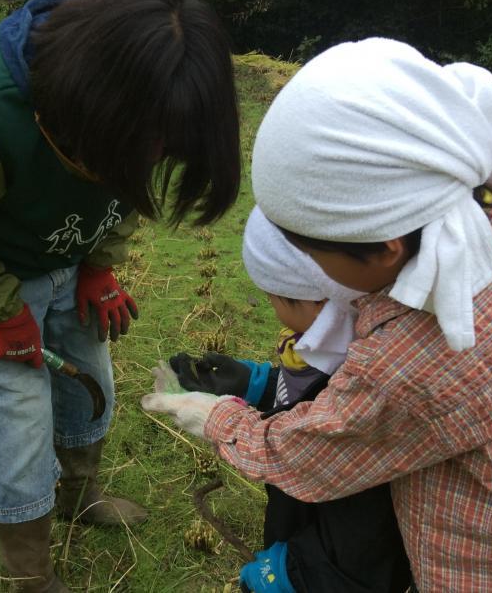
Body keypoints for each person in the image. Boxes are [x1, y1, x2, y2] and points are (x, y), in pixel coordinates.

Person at [142, 38, 492, 591]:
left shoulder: (416, 350)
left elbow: (312, 459)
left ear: (387, 245)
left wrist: (214, 416)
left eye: (315, 253)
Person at [0, 0, 239, 590]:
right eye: (141, 149)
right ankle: (32, 576)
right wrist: (2, 312)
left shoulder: (138, 97)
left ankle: (81, 495)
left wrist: (98, 267)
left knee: (91, 385)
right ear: (83, 105)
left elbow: (126, 195)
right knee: (18, 423)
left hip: (68, 263)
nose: (150, 161)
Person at [167, 206, 412, 592]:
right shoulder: (331, 350)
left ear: (318, 301)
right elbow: (306, 396)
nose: (277, 316)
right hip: (298, 524)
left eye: (275, 300)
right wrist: (257, 383)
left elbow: (365, 534)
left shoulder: (375, 388)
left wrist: (292, 576)